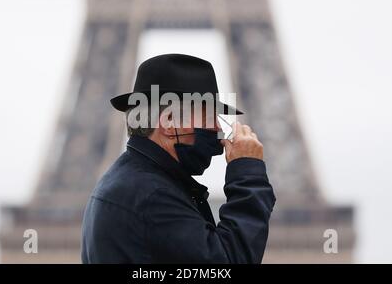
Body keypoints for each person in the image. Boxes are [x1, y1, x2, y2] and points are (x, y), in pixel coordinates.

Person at [81, 53, 276, 263]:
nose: (219, 128)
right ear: (170, 120)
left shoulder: (127, 181)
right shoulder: (153, 195)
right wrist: (248, 172)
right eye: (210, 117)